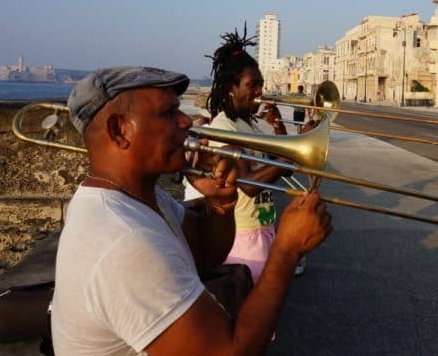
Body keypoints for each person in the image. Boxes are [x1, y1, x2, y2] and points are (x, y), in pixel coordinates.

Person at [51, 66, 332, 355]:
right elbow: (229, 352)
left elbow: (206, 254)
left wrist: (221, 203)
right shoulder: (123, 240)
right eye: (168, 113)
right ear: (119, 130)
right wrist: (286, 250)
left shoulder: (136, 198)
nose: (186, 121)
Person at [201, 27, 312, 283]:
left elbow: (284, 168)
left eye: (261, 84)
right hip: (242, 234)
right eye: (252, 85)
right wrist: (291, 150)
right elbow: (248, 184)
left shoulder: (250, 125)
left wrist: (279, 129)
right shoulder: (223, 127)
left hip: (264, 226)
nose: (259, 91)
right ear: (232, 88)